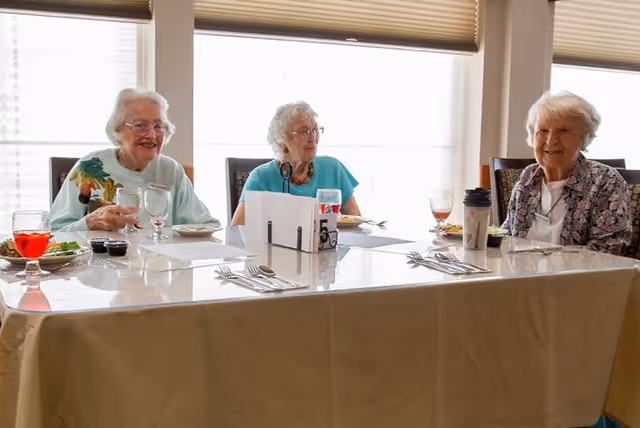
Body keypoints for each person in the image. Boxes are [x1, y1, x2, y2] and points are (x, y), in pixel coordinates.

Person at [50, 88, 220, 231]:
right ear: (117, 130)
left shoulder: (170, 170)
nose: (152, 135)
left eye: (158, 126)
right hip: (101, 266)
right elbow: (55, 231)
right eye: (140, 125)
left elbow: (206, 226)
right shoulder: (89, 167)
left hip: (158, 267)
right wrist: (88, 223)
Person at [501, 91, 631, 255]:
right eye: (543, 130)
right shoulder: (528, 177)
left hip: (580, 279)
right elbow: (508, 234)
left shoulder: (605, 181)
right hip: (522, 276)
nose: (550, 140)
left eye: (564, 130)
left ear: (584, 138)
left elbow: (608, 249)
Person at [231, 101, 360, 225]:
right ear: (283, 139)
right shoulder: (261, 178)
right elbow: (236, 231)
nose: (313, 138)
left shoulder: (333, 168)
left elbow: (355, 221)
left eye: (315, 130)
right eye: (304, 132)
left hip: (330, 245)